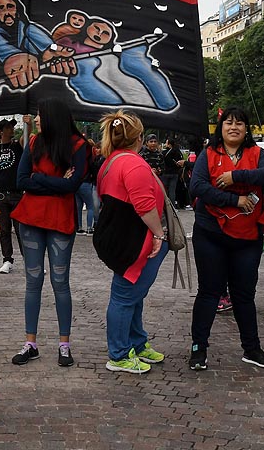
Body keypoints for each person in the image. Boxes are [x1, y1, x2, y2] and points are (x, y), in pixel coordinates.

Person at [187, 106, 264, 371]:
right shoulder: (208, 154)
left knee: (244, 295)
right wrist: (235, 199)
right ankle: (198, 347)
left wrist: (235, 176)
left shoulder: (259, 154)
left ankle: (251, 348)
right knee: (209, 292)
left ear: (247, 129)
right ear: (221, 127)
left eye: (239, 123)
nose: (234, 127)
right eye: (228, 123)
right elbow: (198, 187)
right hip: (211, 234)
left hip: (247, 238)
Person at [11, 100, 89, 367]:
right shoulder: (34, 142)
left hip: (58, 219)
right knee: (33, 282)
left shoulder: (79, 146)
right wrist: (56, 182)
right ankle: (30, 342)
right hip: (31, 219)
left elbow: (73, 186)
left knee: (60, 282)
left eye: (40, 115)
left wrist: (37, 179)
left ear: (52, 118)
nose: (36, 119)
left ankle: (63, 344)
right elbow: (20, 180)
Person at [96, 110, 169, 373]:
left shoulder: (111, 161)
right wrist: (159, 235)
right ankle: (118, 354)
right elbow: (145, 206)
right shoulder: (134, 164)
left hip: (121, 237)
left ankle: (136, 344)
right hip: (135, 241)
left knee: (133, 295)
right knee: (125, 296)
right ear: (139, 137)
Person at [0, 118, 22, 274]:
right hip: (0, 195)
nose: (11, 130)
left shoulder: (18, 147)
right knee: (5, 229)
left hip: (17, 194)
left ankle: (30, 259)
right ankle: (7, 259)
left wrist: (28, 124)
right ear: (1, 131)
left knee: (21, 230)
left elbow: (26, 141)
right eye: (8, 128)